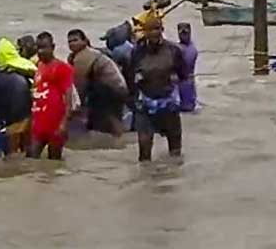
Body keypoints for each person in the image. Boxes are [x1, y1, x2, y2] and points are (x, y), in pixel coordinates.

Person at [125, 18, 189, 161]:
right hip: (145, 104)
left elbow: (184, 74)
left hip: (168, 102)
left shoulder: (173, 50)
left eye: (157, 29)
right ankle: (145, 174)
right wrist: (132, 100)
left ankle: (174, 173)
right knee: (144, 148)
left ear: (162, 30)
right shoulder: (137, 52)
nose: (154, 33)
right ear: (145, 32)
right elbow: (129, 77)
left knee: (175, 149)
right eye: (151, 30)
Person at [66, 29, 127, 135]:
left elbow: (79, 85)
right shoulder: (88, 53)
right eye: (69, 42)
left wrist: (74, 108)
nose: (72, 44)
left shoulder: (83, 56)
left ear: (84, 41)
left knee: (108, 115)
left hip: (111, 89)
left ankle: (117, 136)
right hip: (116, 88)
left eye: (75, 40)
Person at [28, 31, 74, 160]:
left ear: (52, 47)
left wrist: (64, 123)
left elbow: (69, 98)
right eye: (38, 48)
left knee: (54, 161)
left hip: (55, 124)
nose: (40, 51)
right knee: (31, 158)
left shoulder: (63, 68)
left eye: (44, 47)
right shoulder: (39, 66)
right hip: (39, 123)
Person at [176, 23, 199, 112]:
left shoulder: (191, 49)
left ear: (190, 33)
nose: (183, 36)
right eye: (182, 34)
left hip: (187, 82)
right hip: (180, 84)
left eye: (185, 33)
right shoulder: (176, 48)